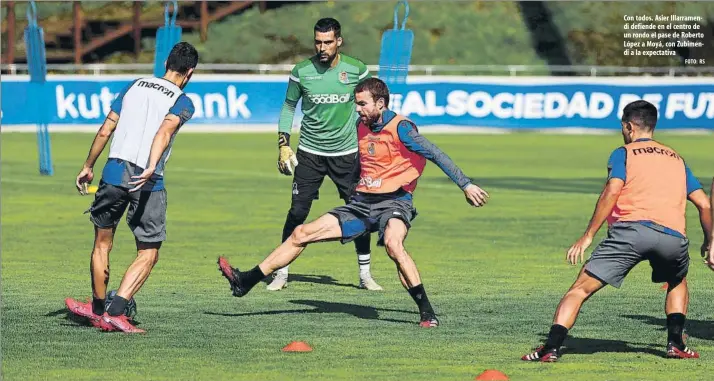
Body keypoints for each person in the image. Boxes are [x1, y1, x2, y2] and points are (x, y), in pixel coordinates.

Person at [218, 77, 490, 327]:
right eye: (356, 103)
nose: (357, 108)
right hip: (361, 204)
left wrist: (466, 184)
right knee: (301, 233)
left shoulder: (402, 128)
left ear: (380, 103)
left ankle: (427, 313)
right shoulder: (361, 126)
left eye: (362, 103)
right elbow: (364, 163)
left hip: (395, 202)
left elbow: (435, 153)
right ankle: (245, 281)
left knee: (394, 246)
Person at [521, 100, 712, 362]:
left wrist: (588, 235)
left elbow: (613, 189)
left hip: (630, 233)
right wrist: (710, 240)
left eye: (623, 127)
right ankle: (676, 344)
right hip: (672, 236)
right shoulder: (677, 159)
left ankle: (550, 348)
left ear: (629, 126)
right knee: (677, 281)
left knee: (579, 290)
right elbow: (704, 203)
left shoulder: (624, 153)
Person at [64, 42, 198, 333]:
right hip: (148, 180)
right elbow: (164, 129)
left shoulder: (134, 85)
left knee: (102, 244)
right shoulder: (183, 100)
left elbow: (106, 128)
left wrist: (88, 166)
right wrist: (151, 164)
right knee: (148, 251)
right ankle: (116, 311)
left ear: (165, 63)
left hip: (112, 172)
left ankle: (98, 309)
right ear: (189, 73)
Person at [269, 17, 382, 292]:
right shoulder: (301, 71)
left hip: (347, 154)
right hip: (309, 154)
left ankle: (365, 274)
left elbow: (370, 107)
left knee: (359, 212)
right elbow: (288, 107)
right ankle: (281, 272)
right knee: (297, 212)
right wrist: (283, 144)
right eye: (318, 42)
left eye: (328, 42)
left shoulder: (356, 70)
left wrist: (375, 139)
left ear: (338, 42)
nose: (322, 47)